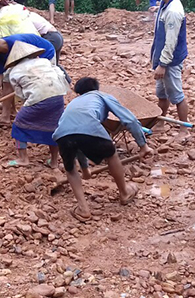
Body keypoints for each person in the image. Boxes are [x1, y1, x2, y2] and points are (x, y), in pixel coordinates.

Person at [53, 77, 153, 222]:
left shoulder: (73, 103)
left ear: (78, 92)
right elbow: (129, 119)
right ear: (96, 88)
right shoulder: (101, 95)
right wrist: (143, 145)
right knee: (111, 155)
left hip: (62, 135)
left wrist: (85, 169)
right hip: (89, 129)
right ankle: (124, 193)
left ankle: (83, 209)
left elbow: (75, 136)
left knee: (70, 170)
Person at [6, 41, 69, 168]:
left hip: (38, 98)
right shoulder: (45, 62)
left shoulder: (14, 72)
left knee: (19, 125)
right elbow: (61, 75)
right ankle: (54, 162)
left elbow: (21, 95)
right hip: (58, 97)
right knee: (53, 128)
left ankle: (23, 159)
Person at [0, 29, 55, 126]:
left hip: (42, 54)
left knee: (35, 84)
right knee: (6, 81)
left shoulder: (17, 43)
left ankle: (38, 116)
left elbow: (32, 63)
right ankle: (5, 117)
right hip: (20, 60)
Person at [150, 0, 190, 140]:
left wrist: (163, 64)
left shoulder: (173, 11)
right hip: (164, 59)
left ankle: (184, 129)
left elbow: (171, 42)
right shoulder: (165, 3)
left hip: (170, 61)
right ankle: (160, 123)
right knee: (162, 92)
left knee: (176, 94)